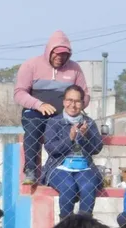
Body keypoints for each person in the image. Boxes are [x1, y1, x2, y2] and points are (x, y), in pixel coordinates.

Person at [14, 31, 88, 185]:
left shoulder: (75, 69)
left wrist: (74, 106)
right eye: (57, 53)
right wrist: (39, 105)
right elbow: (19, 93)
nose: (60, 58)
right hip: (36, 111)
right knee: (33, 127)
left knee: (78, 128)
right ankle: (31, 170)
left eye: (64, 55)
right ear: (49, 51)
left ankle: (65, 169)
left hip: (62, 113)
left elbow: (85, 95)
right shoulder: (31, 65)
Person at [42, 85, 104, 216]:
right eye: (69, 100)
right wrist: (70, 138)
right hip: (59, 166)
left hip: (84, 166)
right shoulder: (54, 122)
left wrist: (86, 136)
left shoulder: (89, 123)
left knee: (88, 187)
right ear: (64, 102)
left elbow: (97, 148)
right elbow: (51, 148)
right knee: (68, 187)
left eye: (77, 101)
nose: (73, 105)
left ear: (82, 103)